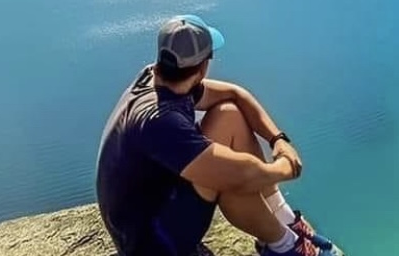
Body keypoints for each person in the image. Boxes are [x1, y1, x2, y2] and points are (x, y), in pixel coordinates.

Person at [96, 15, 342, 256]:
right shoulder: (161, 121)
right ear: (203, 66)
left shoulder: (156, 79)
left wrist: (278, 140)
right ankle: (285, 246)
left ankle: (283, 218)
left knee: (229, 115)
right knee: (233, 179)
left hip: (149, 207)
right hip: (150, 243)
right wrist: (287, 169)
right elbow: (242, 175)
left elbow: (235, 95)